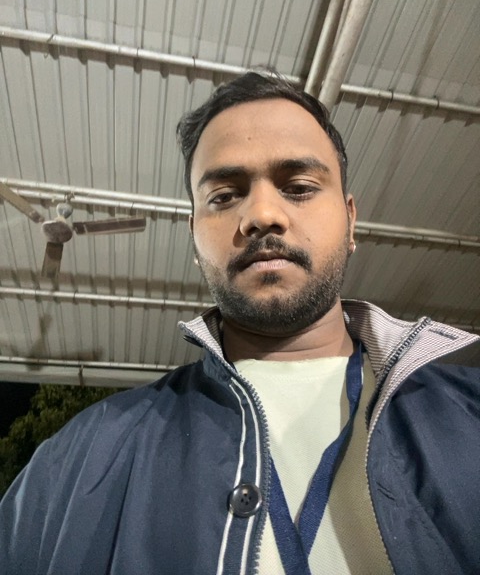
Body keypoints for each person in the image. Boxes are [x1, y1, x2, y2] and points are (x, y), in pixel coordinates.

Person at [0, 72, 479, 575]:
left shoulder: (469, 415)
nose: (262, 214)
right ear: (194, 236)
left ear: (350, 220)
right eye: (225, 196)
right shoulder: (80, 457)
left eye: (299, 187)